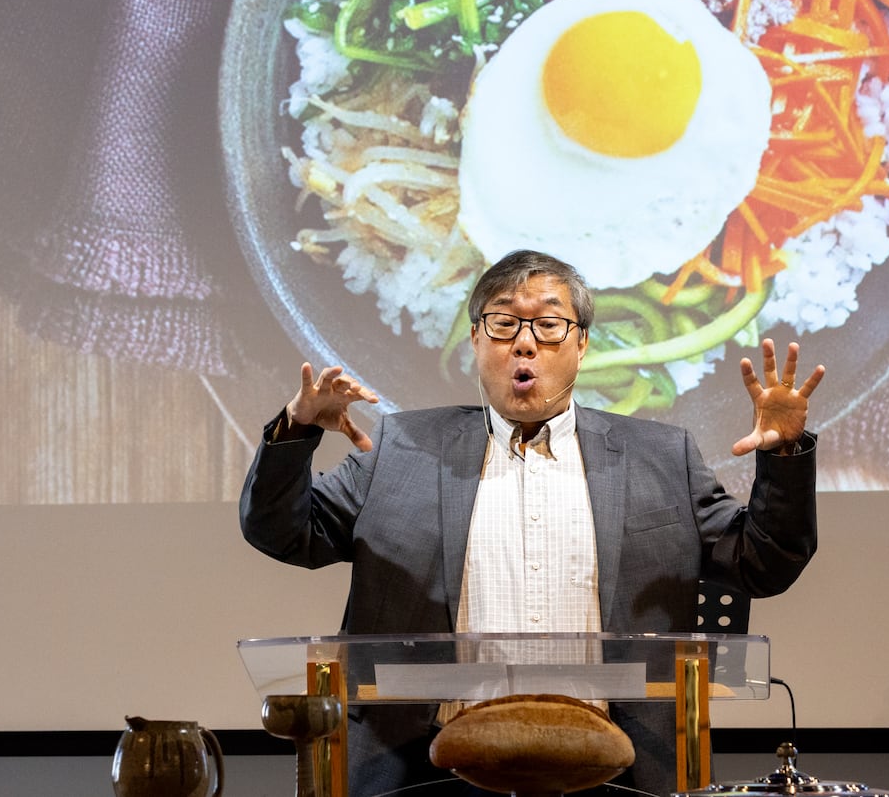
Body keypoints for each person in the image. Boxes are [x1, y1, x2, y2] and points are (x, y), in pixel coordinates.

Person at [241, 249, 821, 796]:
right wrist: (297, 430)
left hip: (619, 769)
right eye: (503, 325)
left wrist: (785, 457)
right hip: (422, 769)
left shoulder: (661, 456)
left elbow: (762, 563)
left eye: (548, 326)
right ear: (474, 338)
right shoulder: (402, 448)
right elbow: (286, 531)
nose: (525, 344)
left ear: (582, 343)